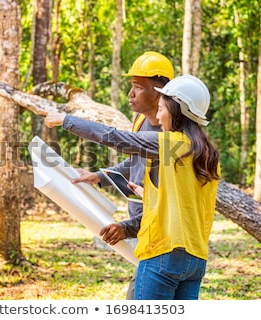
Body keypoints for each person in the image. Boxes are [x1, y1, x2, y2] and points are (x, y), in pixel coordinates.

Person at [44, 74, 220, 300]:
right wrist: (143, 194)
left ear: (176, 112)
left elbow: (115, 137)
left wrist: (66, 120)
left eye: (162, 108)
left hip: (163, 253)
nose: (157, 114)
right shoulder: (207, 155)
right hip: (195, 260)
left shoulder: (168, 143)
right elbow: (187, 203)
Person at [68, 51, 174, 299]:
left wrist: (126, 228)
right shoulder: (140, 121)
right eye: (131, 86)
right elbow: (135, 160)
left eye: (138, 87)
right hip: (143, 232)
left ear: (159, 92)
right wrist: (100, 176)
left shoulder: (172, 132)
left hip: (159, 238)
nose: (131, 93)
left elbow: (164, 208)